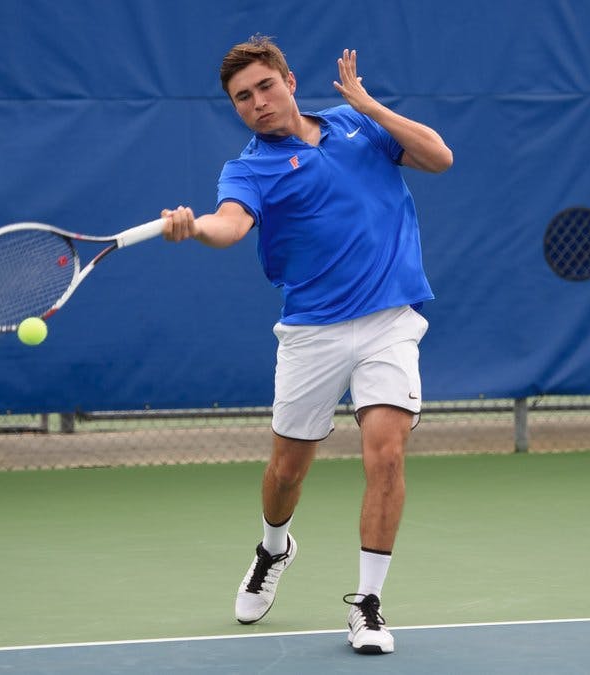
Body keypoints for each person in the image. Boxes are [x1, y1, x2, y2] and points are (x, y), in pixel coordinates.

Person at [160, 35, 452, 655]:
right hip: (311, 332)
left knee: (386, 455)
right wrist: (195, 228)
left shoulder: (357, 125)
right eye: (243, 98)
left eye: (265, 87)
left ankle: (368, 605)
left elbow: (439, 157)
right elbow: (230, 224)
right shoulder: (248, 168)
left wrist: (371, 106)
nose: (257, 103)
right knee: (286, 471)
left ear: (290, 83)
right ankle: (274, 547)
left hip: (389, 320)